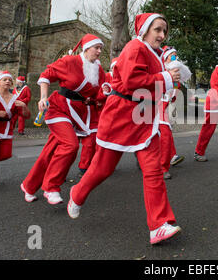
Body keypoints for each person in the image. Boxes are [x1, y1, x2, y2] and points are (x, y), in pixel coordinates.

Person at [67, 13, 182, 245]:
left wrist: (169, 81)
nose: (162, 35)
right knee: (103, 168)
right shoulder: (135, 47)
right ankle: (77, 194)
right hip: (121, 115)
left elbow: (149, 84)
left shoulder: (154, 54)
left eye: (164, 31)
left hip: (144, 117)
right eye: (158, 29)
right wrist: (167, 78)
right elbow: (132, 81)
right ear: (145, 30)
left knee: (153, 170)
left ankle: (158, 225)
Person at [20, 33, 106, 204]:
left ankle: (29, 185)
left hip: (80, 112)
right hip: (60, 107)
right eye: (96, 48)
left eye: (101, 48)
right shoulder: (69, 61)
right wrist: (43, 97)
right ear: (86, 48)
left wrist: (102, 95)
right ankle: (51, 187)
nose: (99, 52)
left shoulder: (99, 70)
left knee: (50, 151)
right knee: (70, 145)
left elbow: (99, 93)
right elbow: (46, 76)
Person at [0, 71, 30, 186]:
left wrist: (24, 106)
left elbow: (26, 115)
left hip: (7, 130)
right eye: (5, 80)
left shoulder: (15, 98)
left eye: (10, 80)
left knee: (6, 155)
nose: (8, 81)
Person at [159, 46, 189, 179]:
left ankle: (170, 157)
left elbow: (175, 88)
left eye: (176, 56)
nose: (175, 59)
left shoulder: (174, 73)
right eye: (172, 56)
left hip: (163, 108)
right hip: (151, 106)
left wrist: (174, 95)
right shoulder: (159, 69)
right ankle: (162, 167)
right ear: (165, 58)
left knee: (165, 133)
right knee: (163, 134)